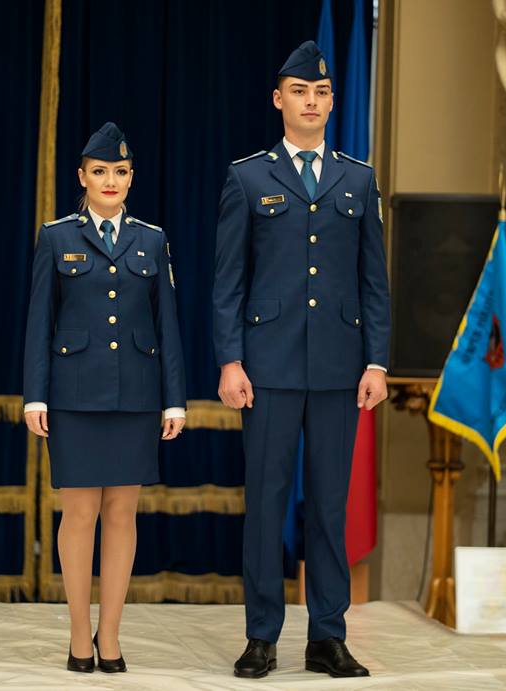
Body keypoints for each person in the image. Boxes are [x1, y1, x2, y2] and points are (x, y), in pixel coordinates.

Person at [212, 41, 390, 679]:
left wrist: (377, 362)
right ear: (278, 100)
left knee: (330, 505)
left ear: (332, 102)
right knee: (266, 503)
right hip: (268, 367)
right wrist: (231, 360)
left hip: (340, 367)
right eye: (299, 92)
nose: (311, 102)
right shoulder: (248, 178)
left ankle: (327, 636)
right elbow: (229, 281)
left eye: (321, 92)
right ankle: (261, 635)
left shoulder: (358, 179)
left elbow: (373, 281)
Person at [22, 122, 187, 673]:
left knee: (122, 514)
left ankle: (110, 636)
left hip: (136, 396)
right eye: (99, 171)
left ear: (131, 177)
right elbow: (39, 322)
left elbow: (167, 324)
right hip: (73, 397)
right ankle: (77, 635)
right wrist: (34, 396)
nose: (110, 180)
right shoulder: (56, 237)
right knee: (79, 514)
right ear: (82, 177)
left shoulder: (152, 239)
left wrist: (174, 400)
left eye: (119, 171)